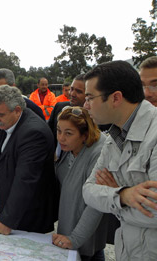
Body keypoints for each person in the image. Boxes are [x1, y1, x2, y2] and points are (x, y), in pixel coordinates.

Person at [82, 60, 157, 260]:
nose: (85, 105)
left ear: (115, 98)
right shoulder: (113, 138)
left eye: (90, 97)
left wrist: (112, 198)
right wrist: (123, 195)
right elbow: (88, 191)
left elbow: (154, 212)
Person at [0, 85, 58, 234]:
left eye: (0, 115)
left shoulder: (33, 133)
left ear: (17, 110)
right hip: (17, 213)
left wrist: (6, 221)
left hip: (28, 218)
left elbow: (25, 180)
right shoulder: (11, 121)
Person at [53, 106, 109, 260]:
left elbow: (96, 204)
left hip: (85, 238)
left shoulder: (98, 154)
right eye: (58, 131)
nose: (61, 138)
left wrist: (75, 238)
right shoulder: (65, 148)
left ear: (85, 135)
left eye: (68, 133)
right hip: (67, 233)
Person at [48, 74, 86, 147]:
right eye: (71, 89)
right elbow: (48, 132)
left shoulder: (93, 118)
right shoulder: (59, 107)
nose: (72, 94)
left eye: (78, 91)